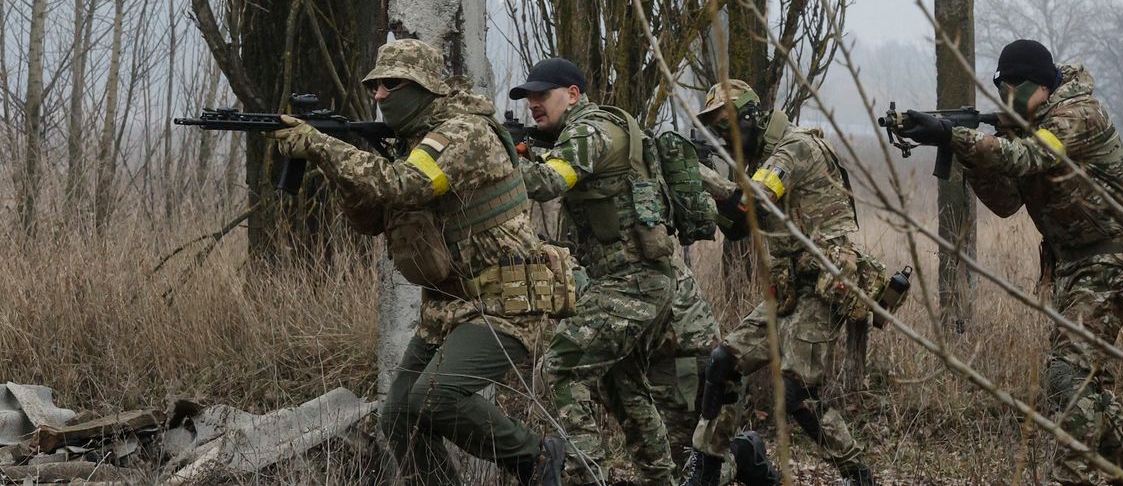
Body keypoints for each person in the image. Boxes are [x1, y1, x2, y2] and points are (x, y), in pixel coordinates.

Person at [266, 39, 564, 486]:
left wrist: (323, 146)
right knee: (400, 415)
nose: (380, 94)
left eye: (392, 84)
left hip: (505, 302)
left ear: (424, 88)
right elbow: (372, 218)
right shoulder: (414, 141)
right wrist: (332, 159)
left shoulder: (463, 134)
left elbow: (403, 185)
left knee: (435, 398)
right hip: (448, 306)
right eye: (376, 86)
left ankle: (536, 457)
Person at [895, 39, 1123, 484]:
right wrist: (963, 153)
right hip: (1069, 264)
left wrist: (955, 135)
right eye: (1003, 86)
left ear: (1043, 83)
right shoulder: (1027, 124)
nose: (1009, 95)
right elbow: (1007, 201)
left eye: (1017, 85)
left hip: (1109, 256)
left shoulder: (1078, 115)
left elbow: (1032, 156)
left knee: (1068, 377)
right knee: (1083, 381)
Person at [684, 79, 876, 486]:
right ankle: (705, 471)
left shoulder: (794, 147)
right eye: (716, 130)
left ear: (752, 116)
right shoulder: (762, 157)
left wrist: (696, 171)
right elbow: (738, 226)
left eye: (726, 124)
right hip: (791, 286)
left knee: (796, 395)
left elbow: (753, 200)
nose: (723, 136)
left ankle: (859, 476)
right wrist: (700, 185)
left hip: (825, 282)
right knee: (724, 363)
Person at [512, 57, 677, 486]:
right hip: (633, 282)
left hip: (631, 283)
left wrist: (496, 160)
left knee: (560, 368)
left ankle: (585, 475)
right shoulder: (591, 129)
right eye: (529, 96)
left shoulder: (588, 130)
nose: (533, 104)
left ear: (572, 95)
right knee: (624, 389)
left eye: (541, 95)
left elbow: (549, 183)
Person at [651, 257, 781, 486]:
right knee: (675, 462)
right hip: (675, 356)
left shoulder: (630, 246)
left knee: (684, 472)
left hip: (682, 362)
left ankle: (742, 453)